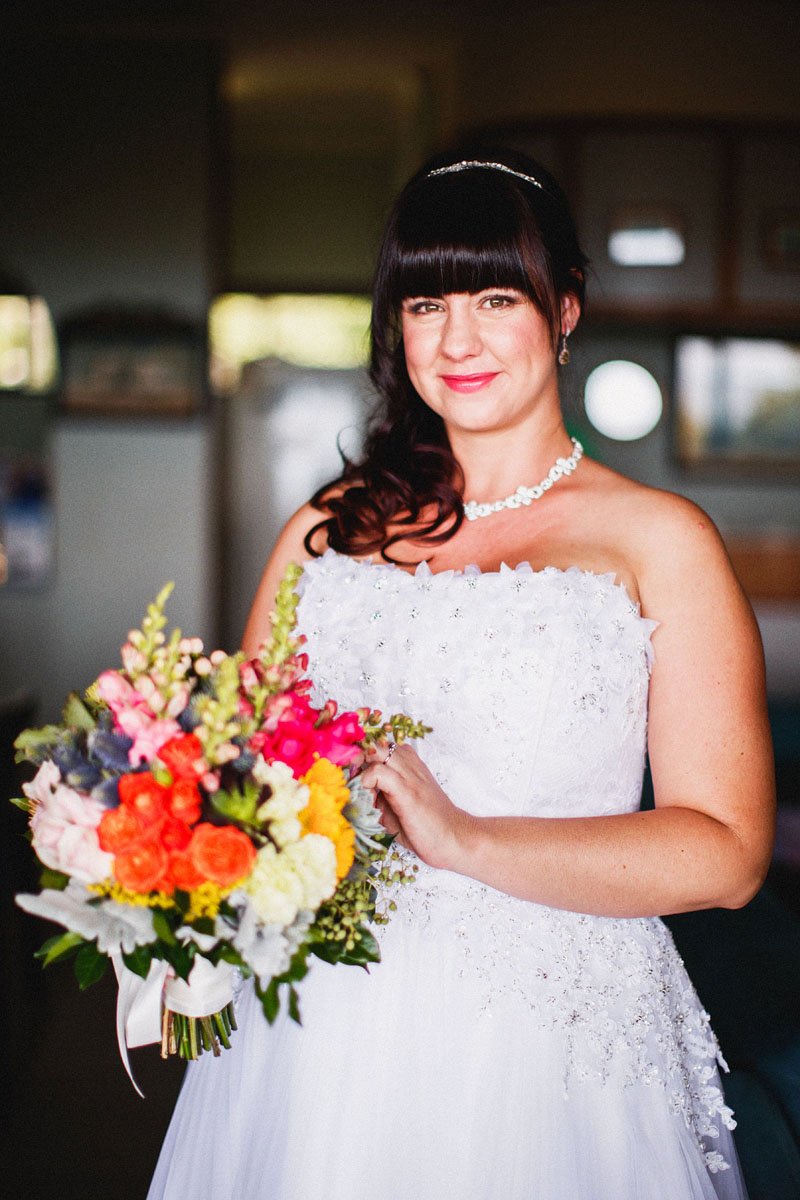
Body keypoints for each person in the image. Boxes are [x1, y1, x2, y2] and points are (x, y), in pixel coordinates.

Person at [148, 150, 774, 1200]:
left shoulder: (657, 540)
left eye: (495, 297)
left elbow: (725, 852)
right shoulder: (326, 530)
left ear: (565, 309)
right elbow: (234, 772)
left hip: (544, 1037)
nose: (458, 340)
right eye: (425, 303)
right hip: (321, 1023)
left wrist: (466, 841)